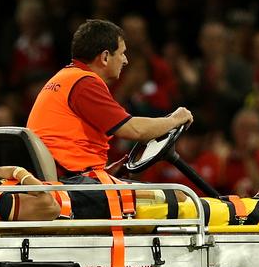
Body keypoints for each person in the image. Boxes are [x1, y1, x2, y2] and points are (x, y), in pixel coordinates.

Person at [0, 134, 259, 228]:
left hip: (88, 191)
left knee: (184, 202)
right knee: (185, 206)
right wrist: (20, 174)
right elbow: (49, 207)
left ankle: (253, 203)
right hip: (90, 205)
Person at [26, 19, 193, 176]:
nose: (126, 61)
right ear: (105, 57)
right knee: (177, 198)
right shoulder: (85, 84)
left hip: (67, 177)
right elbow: (134, 130)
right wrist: (175, 119)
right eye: (122, 53)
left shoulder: (66, 78)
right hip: (73, 183)